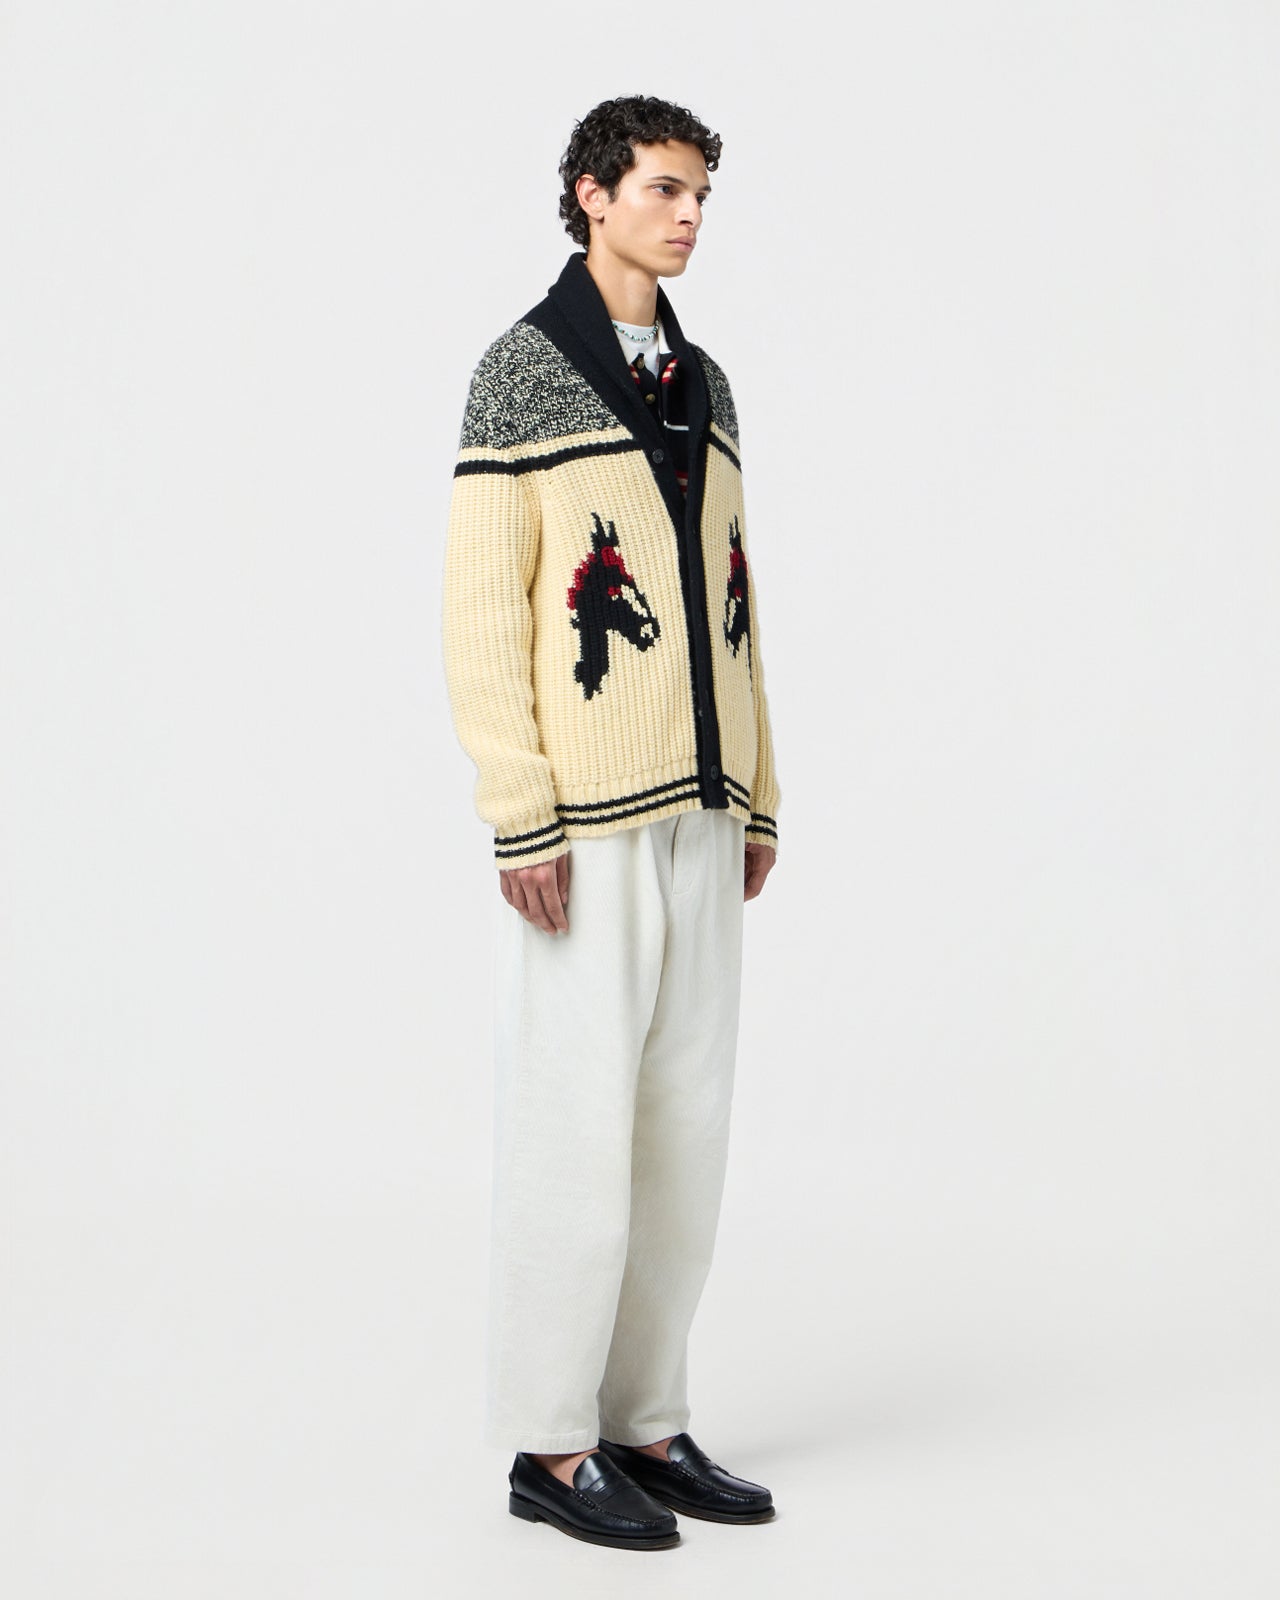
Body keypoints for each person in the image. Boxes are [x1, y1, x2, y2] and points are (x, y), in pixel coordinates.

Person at [441, 94, 782, 1552]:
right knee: (574, 1130)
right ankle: (550, 1441)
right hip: (584, 820)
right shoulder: (522, 372)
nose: (689, 215)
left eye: (701, 192)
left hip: (703, 810)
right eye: (662, 188)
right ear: (591, 194)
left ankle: (647, 1418)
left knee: (684, 1131)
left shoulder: (706, 385)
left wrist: (761, 788)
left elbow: (736, 598)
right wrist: (519, 812)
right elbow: (482, 609)